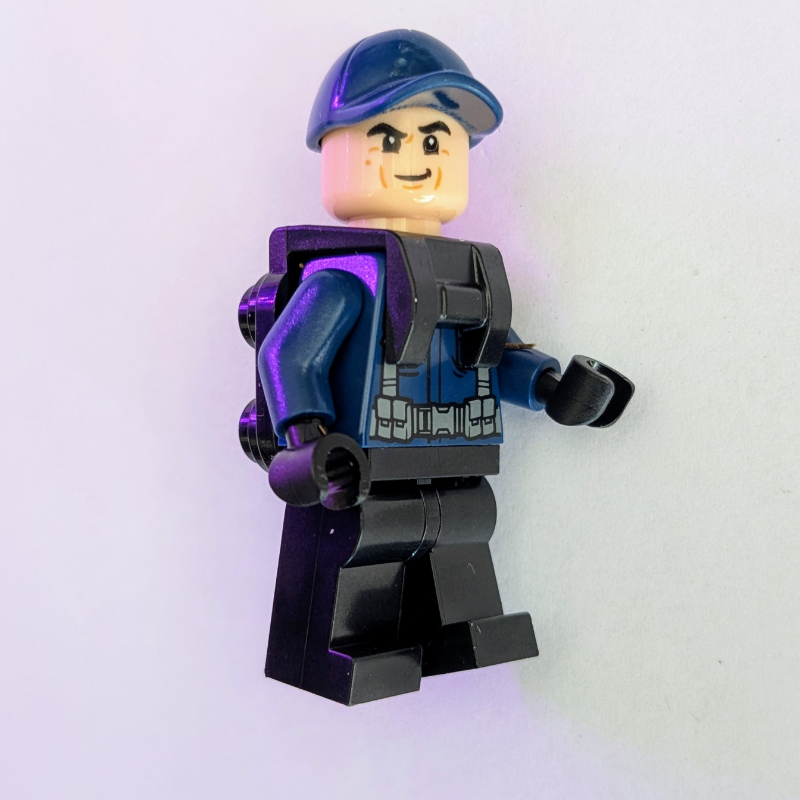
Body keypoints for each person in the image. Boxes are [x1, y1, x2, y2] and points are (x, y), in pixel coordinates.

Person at [238, 29, 633, 705]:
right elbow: (288, 353)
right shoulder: (344, 275)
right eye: (388, 139)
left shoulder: (471, 268)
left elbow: (494, 353)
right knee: (362, 542)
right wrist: (308, 439)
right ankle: (343, 645)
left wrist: (551, 389)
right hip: (359, 466)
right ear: (335, 152)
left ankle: (461, 626)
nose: (416, 158)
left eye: (436, 142)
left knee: (462, 527)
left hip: (451, 451)